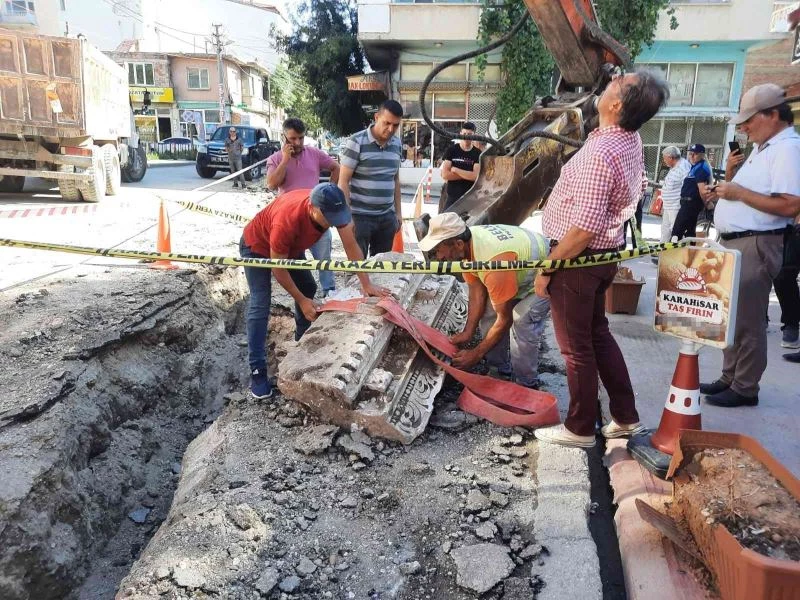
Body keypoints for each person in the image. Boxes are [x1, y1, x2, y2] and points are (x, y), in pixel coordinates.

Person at [533, 68, 669, 448]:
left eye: (613, 84)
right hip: (602, 258)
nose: (606, 84)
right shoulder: (628, 140)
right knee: (597, 336)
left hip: (579, 259)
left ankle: (579, 428)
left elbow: (583, 228)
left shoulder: (601, 152)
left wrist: (549, 266)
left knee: (575, 348)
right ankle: (624, 417)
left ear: (616, 104)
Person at [699, 84, 800, 407]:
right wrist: (727, 187)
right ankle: (730, 376)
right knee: (731, 315)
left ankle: (745, 387)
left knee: (748, 319)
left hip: (756, 244)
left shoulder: (787, 149)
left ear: (772, 115)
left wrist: (738, 194)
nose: (744, 127)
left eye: (749, 120)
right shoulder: (764, 147)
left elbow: (790, 205)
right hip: (737, 242)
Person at [240, 183, 389, 399]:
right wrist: (301, 300)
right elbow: (278, 269)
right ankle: (258, 373)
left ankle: (300, 342)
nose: (332, 223)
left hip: (290, 248)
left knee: (309, 286)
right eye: (328, 218)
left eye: (336, 217)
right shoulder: (287, 219)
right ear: (312, 208)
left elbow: (350, 245)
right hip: (257, 247)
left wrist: (366, 283)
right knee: (260, 302)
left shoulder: (333, 210)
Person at [418, 213, 550, 388]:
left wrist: (476, 354)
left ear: (458, 244)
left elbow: (505, 319)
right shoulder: (467, 247)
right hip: (515, 272)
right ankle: (500, 371)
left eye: (440, 249)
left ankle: (526, 384)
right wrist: (468, 332)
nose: (439, 256)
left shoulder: (493, 262)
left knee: (522, 322)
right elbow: (476, 290)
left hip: (545, 273)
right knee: (488, 312)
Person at [266, 117, 341, 297]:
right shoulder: (275, 159)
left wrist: (330, 191)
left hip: (316, 218)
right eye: (292, 139)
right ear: (284, 137)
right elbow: (271, 184)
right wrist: (285, 160)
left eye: (301, 138)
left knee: (324, 258)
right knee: (294, 267)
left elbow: (336, 168)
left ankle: (329, 291)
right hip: (289, 222)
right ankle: (300, 297)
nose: (298, 143)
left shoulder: (314, 154)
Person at [339, 100, 404, 257]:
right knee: (357, 268)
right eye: (386, 123)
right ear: (376, 117)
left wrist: (398, 214)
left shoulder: (397, 143)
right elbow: (343, 181)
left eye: (395, 125)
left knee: (381, 269)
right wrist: (347, 218)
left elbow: (394, 179)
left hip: (387, 217)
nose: (390, 129)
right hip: (360, 217)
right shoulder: (356, 142)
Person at [670, 143, 712, 240]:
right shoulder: (695, 166)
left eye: (695, 154)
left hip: (691, 204)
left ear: (702, 155)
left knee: (676, 233)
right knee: (689, 233)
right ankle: (689, 253)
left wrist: (707, 203)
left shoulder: (701, 168)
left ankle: (673, 254)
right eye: (690, 153)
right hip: (687, 203)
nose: (692, 156)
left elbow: (702, 190)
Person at [441, 122, 481, 210]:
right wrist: (467, 174)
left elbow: (475, 176)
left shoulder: (477, 153)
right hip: (452, 199)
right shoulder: (451, 150)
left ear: (474, 135)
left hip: (470, 200)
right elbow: (445, 174)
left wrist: (456, 170)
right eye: (464, 134)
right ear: (460, 134)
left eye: (469, 134)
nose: (466, 137)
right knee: (444, 222)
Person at [659, 146, 692, 243]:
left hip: (676, 206)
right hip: (668, 205)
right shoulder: (674, 167)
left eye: (665, 158)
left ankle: (674, 253)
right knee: (665, 230)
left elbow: (686, 186)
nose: (664, 161)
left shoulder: (683, 167)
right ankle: (662, 251)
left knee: (676, 232)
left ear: (670, 157)